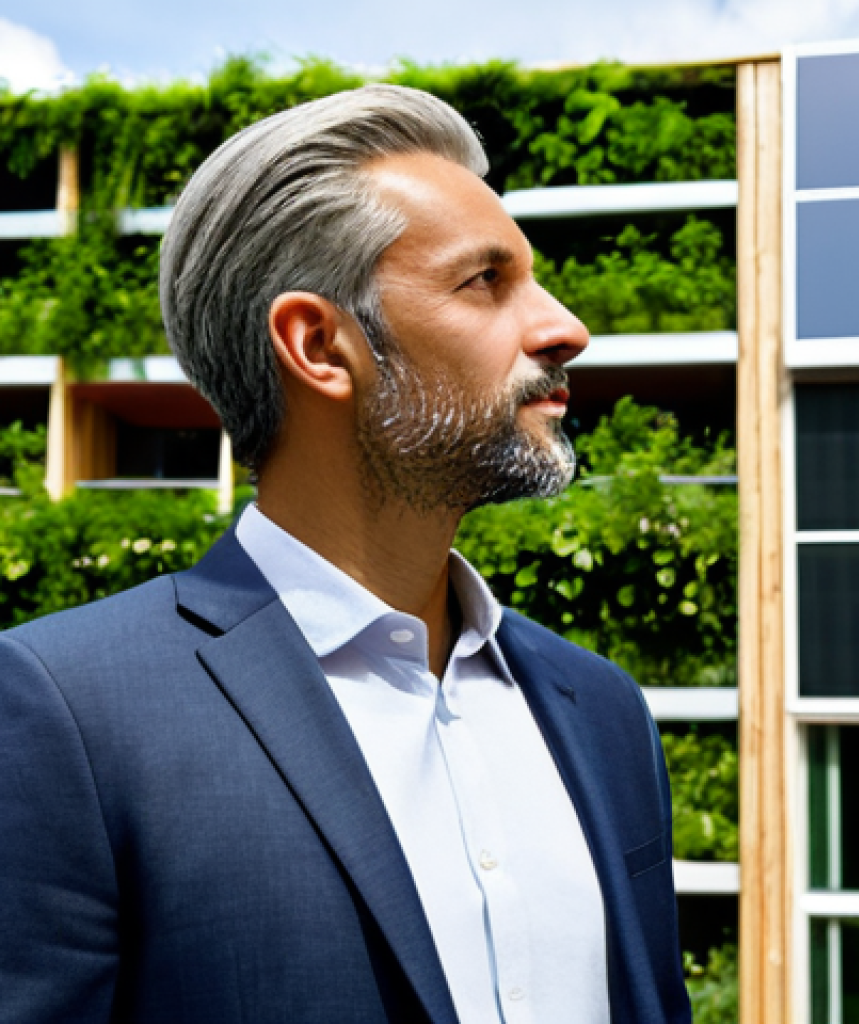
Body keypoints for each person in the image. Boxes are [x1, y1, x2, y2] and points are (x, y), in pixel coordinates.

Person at [0, 85, 691, 1024]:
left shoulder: (602, 707)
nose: (565, 327)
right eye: (485, 280)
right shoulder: (67, 713)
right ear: (321, 345)